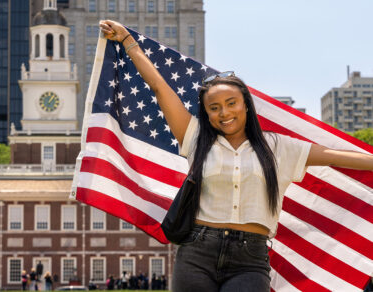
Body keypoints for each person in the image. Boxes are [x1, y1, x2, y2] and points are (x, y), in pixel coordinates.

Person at [99, 20, 373, 292]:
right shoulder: (196, 138)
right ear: (206, 113)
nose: (224, 113)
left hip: (250, 259)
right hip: (197, 251)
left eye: (231, 104)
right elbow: (160, 88)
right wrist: (128, 42)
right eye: (214, 107)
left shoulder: (278, 147)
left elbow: (335, 157)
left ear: (246, 104)